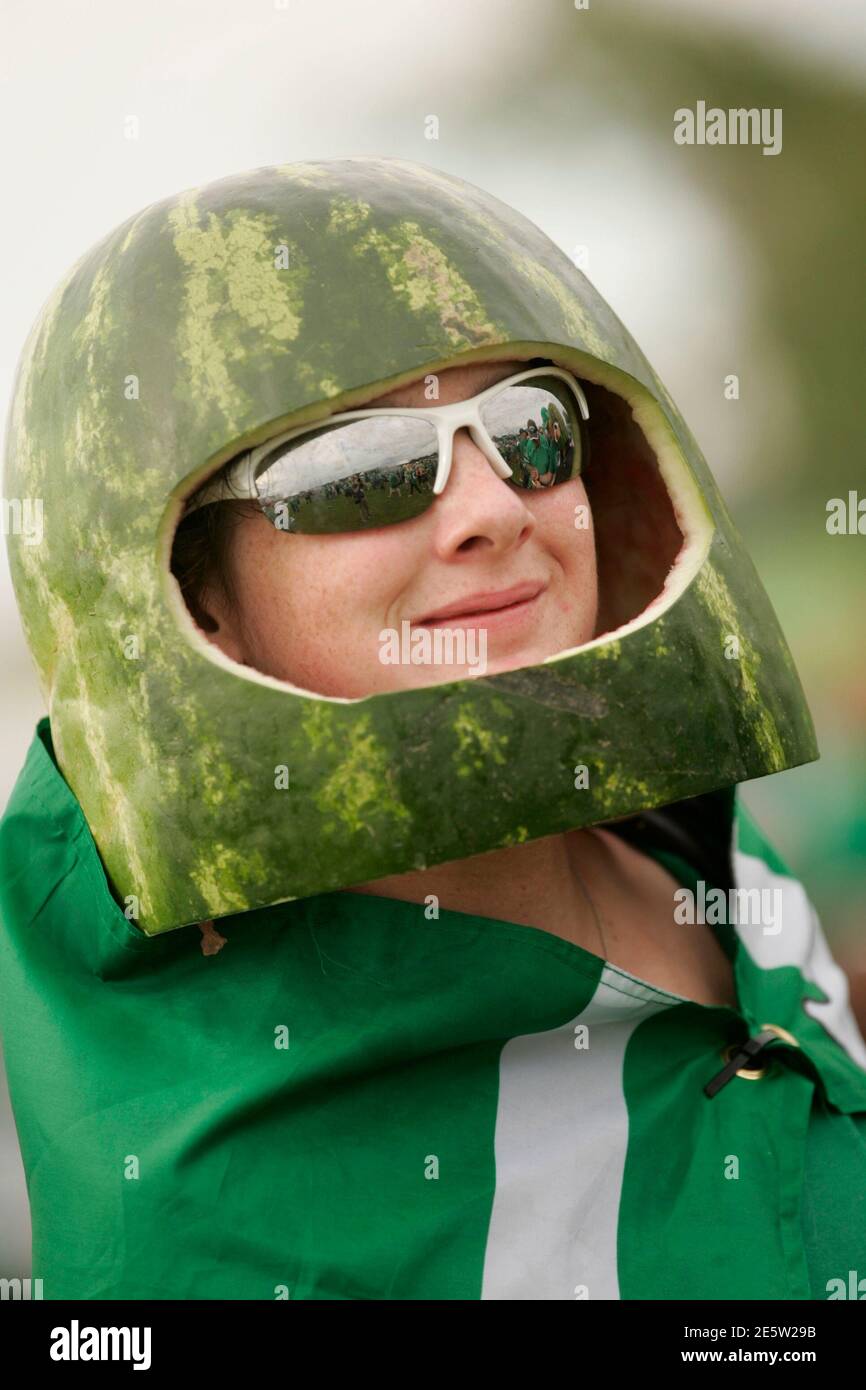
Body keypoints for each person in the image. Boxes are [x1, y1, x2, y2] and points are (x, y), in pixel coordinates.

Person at [1, 157, 865, 1302]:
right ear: (194, 595)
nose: (494, 510)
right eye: (361, 470)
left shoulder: (695, 828)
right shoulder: (236, 1226)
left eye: (528, 429)